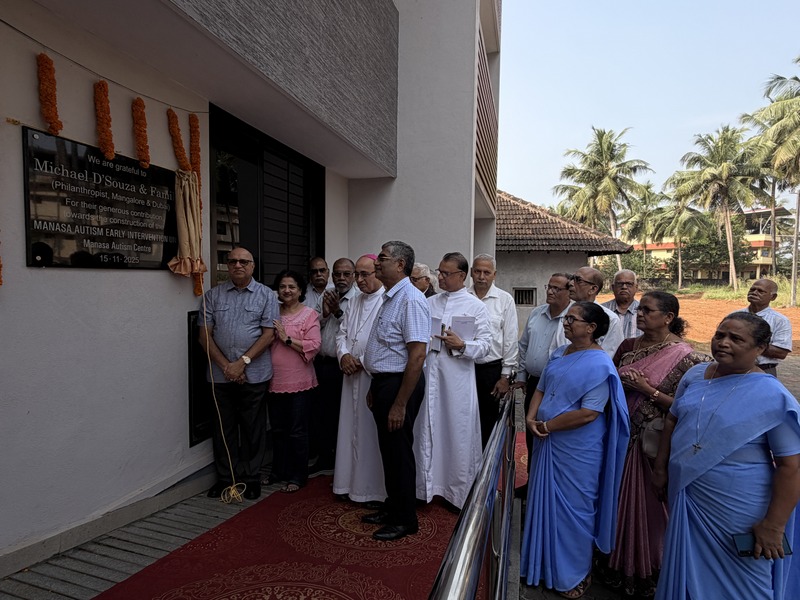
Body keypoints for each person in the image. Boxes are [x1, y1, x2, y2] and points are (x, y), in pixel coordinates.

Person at [653, 312, 800, 600]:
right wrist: (660, 469)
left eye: (736, 339)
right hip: (688, 494)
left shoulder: (773, 395)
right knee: (687, 568)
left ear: (760, 348)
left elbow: (791, 466)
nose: (723, 343)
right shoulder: (696, 375)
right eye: (719, 335)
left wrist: (773, 525)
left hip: (737, 505)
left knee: (745, 580)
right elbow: (672, 419)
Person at [602, 291, 710, 598]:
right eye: (640, 310)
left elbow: (688, 409)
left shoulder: (688, 358)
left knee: (648, 508)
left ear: (668, 318)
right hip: (620, 437)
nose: (640, 314)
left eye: (648, 311)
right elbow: (608, 382)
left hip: (653, 445)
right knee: (617, 501)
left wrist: (646, 389)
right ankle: (614, 562)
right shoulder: (628, 346)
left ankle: (650, 568)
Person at [521, 301, 630, 598]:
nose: (566, 323)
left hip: (578, 447)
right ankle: (541, 565)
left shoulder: (600, 365)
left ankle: (575, 574)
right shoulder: (560, 353)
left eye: (572, 319)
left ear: (591, 328)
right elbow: (541, 388)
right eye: (566, 319)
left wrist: (547, 425)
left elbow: (588, 413)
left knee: (575, 510)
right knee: (544, 502)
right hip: (547, 440)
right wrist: (530, 418)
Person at [362, 240, 430, 541]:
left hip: (400, 384)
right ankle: (393, 507)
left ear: (400, 265)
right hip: (385, 383)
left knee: (399, 452)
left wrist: (400, 403)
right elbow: (385, 347)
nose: (377, 262)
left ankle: (405, 519)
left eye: (383, 258)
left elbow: (417, 355)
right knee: (389, 451)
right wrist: (374, 385)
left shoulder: (411, 299)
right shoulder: (391, 296)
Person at [199, 247, 280, 501]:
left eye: (244, 261)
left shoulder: (266, 295)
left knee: (253, 428)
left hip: (254, 374)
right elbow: (204, 336)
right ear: (226, 265)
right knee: (223, 428)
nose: (238, 265)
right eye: (233, 261)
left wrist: (242, 363)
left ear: (252, 266)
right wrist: (228, 366)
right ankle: (226, 478)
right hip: (220, 374)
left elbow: (268, 335)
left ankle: (251, 477)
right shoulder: (212, 296)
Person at [415, 252, 491, 510]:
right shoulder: (429, 303)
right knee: (426, 429)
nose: (440, 277)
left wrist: (462, 345)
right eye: (439, 272)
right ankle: (425, 488)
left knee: (457, 433)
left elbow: (486, 346)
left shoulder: (476, 307)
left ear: (461, 276)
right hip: (429, 375)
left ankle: (456, 492)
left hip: (457, 381)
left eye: (446, 273)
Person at [332, 254, 387, 504]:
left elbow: (388, 340)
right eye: (358, 275)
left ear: (378, 273)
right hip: (349, 376)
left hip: (371, 376)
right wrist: (343, 355)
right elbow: (341, 333)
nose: (360, 280)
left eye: (365, 274)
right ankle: (346, 484)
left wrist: (361, 361)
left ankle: (371, 490)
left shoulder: (387, 301)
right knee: (348, 430)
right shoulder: (354, 302)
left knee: (369, 434)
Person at [267, 270, 321, 493]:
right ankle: (278, 471)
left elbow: (314, 345)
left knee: (297, 430)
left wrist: (287, 338)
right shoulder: (271, 312)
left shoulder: (309, 314)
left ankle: (298, 475)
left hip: (300, 382)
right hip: (273, 380)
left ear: (300, 290)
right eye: (282, 287)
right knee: (278, 429)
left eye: (292, 287)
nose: (287, 291)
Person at [515, 272, 573, 459]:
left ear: (569, 292)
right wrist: (521, 376)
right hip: (534, 384)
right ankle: (532, 475)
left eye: (557, 288)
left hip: (559, 387)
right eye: (549, 287)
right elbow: (523, 346)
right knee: (531, 431)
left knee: (552, 434)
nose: (550, 292)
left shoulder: (573, 318)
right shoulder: (536, 313)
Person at [311, 257, 360, 472]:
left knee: (340, 415)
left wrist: (337, 311)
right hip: (320, 363)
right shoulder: (327, 293)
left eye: (346, 274)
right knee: (320, 413)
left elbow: (353, 331)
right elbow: (312, 324)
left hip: (342, 366)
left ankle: (341, 463)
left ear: (354, 276)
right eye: (337, 274)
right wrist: (325, 312)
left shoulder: (358, 298)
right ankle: (324, 458)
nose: (341, 278)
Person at [468, 253, 519, 448]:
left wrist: (505, 376)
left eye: (486, 272)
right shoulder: (463, 297)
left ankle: (484, 462)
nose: (481, 276)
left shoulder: (504, 300)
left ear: (494, 275)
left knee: (488, 419)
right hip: (464, 367)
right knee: (464, 417)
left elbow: (510, 339)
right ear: (471, 273)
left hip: (491, 370)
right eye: (478, 271)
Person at [738, 278, 792, 378]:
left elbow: (781, 353)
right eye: (752, 290)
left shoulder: (780, 320)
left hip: (764, 371)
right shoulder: (735, 316)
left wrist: (747, 343)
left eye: (760, 291)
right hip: (734, 370)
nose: (754, 293)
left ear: (773, 297)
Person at [568, 266, 624, 357]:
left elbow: (607, 356)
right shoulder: (566, 313)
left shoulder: (610, 319)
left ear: (593, 289)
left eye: (578, 280)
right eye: (572, 278)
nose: (570, 283)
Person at [602, 269, 642, 340]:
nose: (624, 287)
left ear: (636, 288)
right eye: (620, 284)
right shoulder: (602, 310)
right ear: (613, 287)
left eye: (629, 284)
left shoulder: (644, 312)